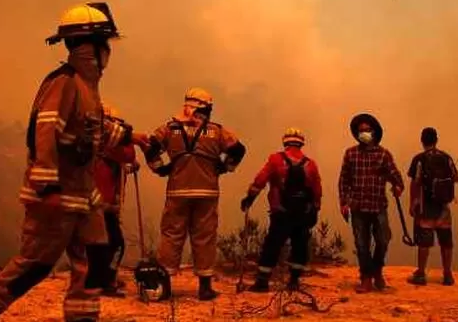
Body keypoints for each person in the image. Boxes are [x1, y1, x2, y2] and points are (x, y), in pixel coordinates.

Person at [0, 2, 147, 322]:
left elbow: (91, 132)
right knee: (37, 263)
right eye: (106, 44)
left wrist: (134, 137)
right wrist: (48, 187)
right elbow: (44, 133)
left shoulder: (88, 88)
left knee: (96, 254)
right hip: (58, 193)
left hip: (82, 194)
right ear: (91, 45)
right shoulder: (64, 83)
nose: (109, 53)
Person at [144, 87, 246, 300]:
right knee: (205, 237)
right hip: (207, 192)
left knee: (172, 236)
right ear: (206, 108)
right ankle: (205, 287)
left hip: (177, 191)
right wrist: (225, 167)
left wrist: (159, 168)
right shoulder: (217, 131)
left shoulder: (169, 128)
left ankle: (164, 287)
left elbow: (149, 145)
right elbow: (238, 150)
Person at [241, 127, 322, 292]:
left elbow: (260, 180)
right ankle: (293, 281)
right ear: (301, 143)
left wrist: (249, 198)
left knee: (272, 245)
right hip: (302, 213)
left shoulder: (276, 159)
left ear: (285, 141)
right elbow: (317, 191)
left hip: (281, 211)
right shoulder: (311, 164)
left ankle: (262, 282)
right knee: (300, 245)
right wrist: (314, 210)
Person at [338, 113, 404, 293]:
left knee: (383, 240)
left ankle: (377, 271)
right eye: (360, 131)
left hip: (378, 206)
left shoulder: (383, 154)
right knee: (361, 244)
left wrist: (398, 187)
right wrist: (344, 203)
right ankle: (366, 278)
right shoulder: (350, 154)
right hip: (358, 206)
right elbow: (344, 180)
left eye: (367, 130)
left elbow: (396, 178)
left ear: (374, 132)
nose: (364, 133)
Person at [85, 103, 138, 298]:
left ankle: (98, 279)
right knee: (116, 244)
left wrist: (129, 167)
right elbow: (128, 154)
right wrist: (128, 138)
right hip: (102, 204)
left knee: (97, 244)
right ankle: (105, 281)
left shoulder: (96, 145)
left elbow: (123, 161)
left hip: (98, 203)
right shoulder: (106, 144)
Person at [407, 127, 458, 286]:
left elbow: (414, 183)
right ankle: (448, 274)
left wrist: (412, 203)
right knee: (446, 241)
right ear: (436, 140)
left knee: (424, 242)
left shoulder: (419, 159)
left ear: (422, 141)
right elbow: (455, 178)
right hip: (443, 207)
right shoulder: (446, 157)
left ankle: (421, 273)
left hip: (426, 206)